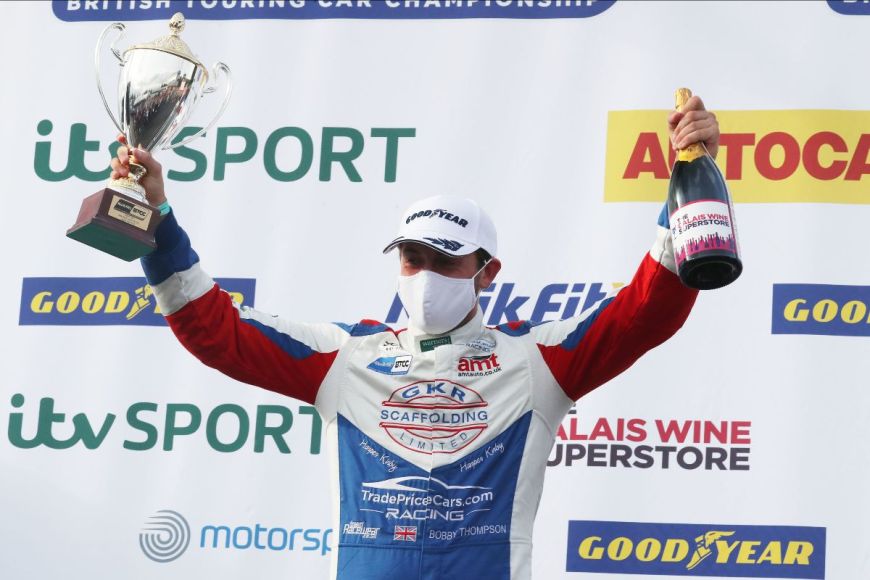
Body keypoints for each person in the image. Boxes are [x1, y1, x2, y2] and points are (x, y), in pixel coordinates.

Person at [110, 96, 719, 580]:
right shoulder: (345, 358)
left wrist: (692, 178)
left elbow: (649, 310)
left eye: (445, 261)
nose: (424, 274)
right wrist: (158, 218)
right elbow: (212, 328)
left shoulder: (537, 361)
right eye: (411, 258)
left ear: (488, 272)